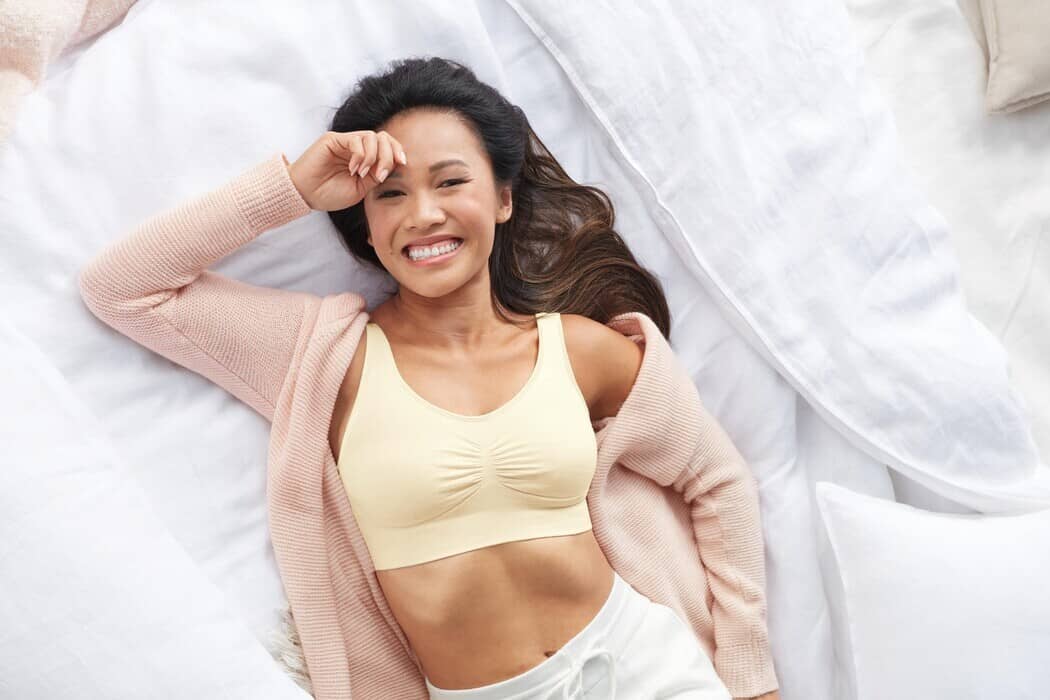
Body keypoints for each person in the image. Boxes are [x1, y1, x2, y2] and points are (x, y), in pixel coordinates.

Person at [79, 56, 780, 700]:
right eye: (390, 194)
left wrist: (750, 677)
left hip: (647, 670)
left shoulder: (578, 350)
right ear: (365, 223)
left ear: (502, 199)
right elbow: (123, 288)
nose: (424, 215)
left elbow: (716, 479)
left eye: (450, 181)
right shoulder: (328, 358)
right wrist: (293, 188)